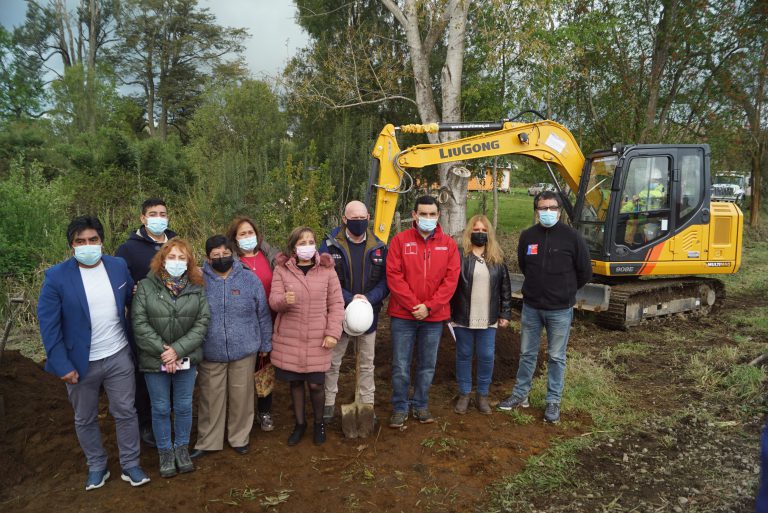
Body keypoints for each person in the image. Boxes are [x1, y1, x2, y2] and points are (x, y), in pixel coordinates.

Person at [38, 216, 150, 490]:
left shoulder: (117, 266)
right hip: (79, 362)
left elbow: (130, 302)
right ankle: (97, 466)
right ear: (72, 246)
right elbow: (49, 327)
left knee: (125, 410)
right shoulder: (56, 278)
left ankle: (130, 464)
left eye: (92, 240)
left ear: (101, 242)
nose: (87, 246)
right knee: (85, 417)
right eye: (80, 242)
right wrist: (61, 365)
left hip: (118, 355)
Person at [498, 191, 592, 423]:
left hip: (560, 309)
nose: (547, 212)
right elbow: (524, 264)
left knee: (557, 356)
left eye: (552, 208)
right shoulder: (528, 236)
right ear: (536, 210)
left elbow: (585, 271)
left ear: (559, 211)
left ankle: (553, 402)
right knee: (527, 354)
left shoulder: (572, 237)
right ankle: (521, 395)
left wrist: (566, 291)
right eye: (543, 208)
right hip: (532, 307)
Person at [131, 238, 210, 478]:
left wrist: (178, 350)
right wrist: (165, 353)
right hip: (155, 359)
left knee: (184, 406)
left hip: (185, 357)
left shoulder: (197, 287)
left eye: (182, 258)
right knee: (161, 407)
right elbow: (139, 322)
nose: (177, 262)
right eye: (172, 257)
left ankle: (181, 449)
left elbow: (202, 322)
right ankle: (165, 452)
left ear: (189, 262)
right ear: (162, 260)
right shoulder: (145, 286)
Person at [191, 235, 272, 459]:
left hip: (244, 349)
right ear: (207, 258)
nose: (221, 258)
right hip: (210, 350)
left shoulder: (249, 279)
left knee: (241, 396)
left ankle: (239, 437)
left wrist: (266, 342)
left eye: (225, 254)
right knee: (210, 398)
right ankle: (208, 440)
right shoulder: (199, 281)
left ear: (232, 254)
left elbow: (263, 313)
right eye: (215, 255)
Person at [385, 195, 460, 428]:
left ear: (438, 216)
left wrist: (429, 307)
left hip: (434, 316)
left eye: (432, 214)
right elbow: (394, 277)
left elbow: (451, 280)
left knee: (428, 364)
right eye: (423, 214)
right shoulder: (399, 241)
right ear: (415, 215)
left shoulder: (448, 244)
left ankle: (420, 404)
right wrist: (413, 305)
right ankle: (400, 407)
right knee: (400, 364)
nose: (428, 218)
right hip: (403, 315)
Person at [269, 227, 344, 446]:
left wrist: (332, 333)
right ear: (294, 247)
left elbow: (336, 304)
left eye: (311, 241)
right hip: (290, 338)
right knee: (295, 383)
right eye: (302, 243)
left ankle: (319, 423)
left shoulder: (327, 270)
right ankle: (300, 424)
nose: (307, 246)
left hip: (318, 337)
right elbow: (273, 301)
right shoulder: (282, 270)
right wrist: (284, 300)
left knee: (316, 385)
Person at [319, 200, 388, 423]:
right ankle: (328, 404)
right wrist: (351, 299)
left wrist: (368, 299)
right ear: (344, 219)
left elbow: (386, 281)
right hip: (339, 313)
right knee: (332, 362)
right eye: (353, 219)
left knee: (367, 363)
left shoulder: (378, 247)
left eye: (362, 218)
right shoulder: (329, 246)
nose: (358, 222)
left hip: (369, 314)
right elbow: (327, 280)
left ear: (368, 218)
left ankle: (366, 404)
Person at [116, 198, 176, 448]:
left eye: (163, 213)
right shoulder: (128, 249)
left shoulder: (175, 243)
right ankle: (146, 421)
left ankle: (168, 416)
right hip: (144, 323)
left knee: (172, 367)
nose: (158, 218)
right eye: (153, 214)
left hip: (174, 320)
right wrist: (133, 290)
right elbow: (120, 284)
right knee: (145, 371)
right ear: (142, 218)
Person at [450, 215, 512, 415]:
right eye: (476, 230)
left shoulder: (497, 258)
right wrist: (448, 312)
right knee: (464, 355)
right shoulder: (460, 256)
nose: (480, 234)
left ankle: (483, 394)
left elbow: (505, 289)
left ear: (489, 234)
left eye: (484, 231)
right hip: (463, 316)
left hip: (488, 317)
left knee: (486, 356)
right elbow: (451, 286)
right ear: (470, 232)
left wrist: (505, 313)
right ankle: (465, 394)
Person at [226, 216, 281, 432]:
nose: (248, 237)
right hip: (245, 322)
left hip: (272, 318)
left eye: (251, 233)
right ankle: (243, 414)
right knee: (244, 369)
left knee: (265, 367)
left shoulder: (270, 257)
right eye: (243, 234)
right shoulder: (232, 262)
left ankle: (264, 411)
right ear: (235, 238)